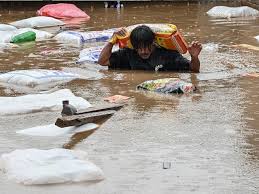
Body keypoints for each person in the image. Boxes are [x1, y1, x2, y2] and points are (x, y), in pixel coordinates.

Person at [98, 25, 202, 72]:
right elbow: (102, 61)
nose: (143, 51)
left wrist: (194, 57)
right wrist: (112, 41)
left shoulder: (168, 55)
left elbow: (194, 70)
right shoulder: (128, 54)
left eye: (147, 47)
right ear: (134, 47)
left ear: (153, 43)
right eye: (139, 48)